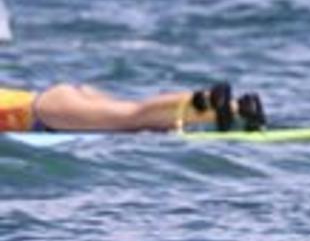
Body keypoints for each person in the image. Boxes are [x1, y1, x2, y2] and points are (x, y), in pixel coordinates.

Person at [0, 80, 263, 134]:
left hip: (46, 110)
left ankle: (210, 100)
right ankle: (236, 108)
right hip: (56, 100)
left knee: (132, 117)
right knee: (137, 117)